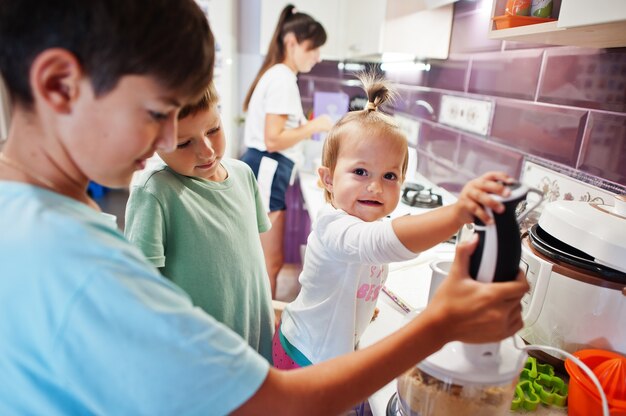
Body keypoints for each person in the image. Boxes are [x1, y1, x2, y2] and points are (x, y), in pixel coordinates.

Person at [0, 1, 529, 414]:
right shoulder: (78, 262)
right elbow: (275, 406)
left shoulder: (29, 216)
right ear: (59, 85)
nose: (171, 137)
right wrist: (440, 323)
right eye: (157, 112)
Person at [275, 73, 517, 370]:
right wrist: (457, 213)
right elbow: (379, 242)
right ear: (327, 178)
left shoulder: (364, 222)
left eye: (389, 176)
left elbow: (357, 268)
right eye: (361, 172)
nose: (376, 186)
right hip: (306, 355)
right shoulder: (332, 227)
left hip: (326, 350)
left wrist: (362, 308)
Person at [124, 82, 274, 362]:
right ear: (154, 145)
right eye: (184, 143)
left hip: (255, 337)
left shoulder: (243, 174)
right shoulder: (154, 192)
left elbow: (248, 263)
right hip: (200, 355)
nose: (206, 151)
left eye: (213, 129)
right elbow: (142, 293)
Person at [240, 4, 334, 298]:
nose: (318, 56)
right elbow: (273, 139)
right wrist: (316, 125)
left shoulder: (278, 75)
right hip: (268, 166)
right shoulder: (282, 77)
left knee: (266, 260)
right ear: (291, 42)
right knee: (269, 262)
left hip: (268, 169)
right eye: (314, 48)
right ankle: (260, 333)